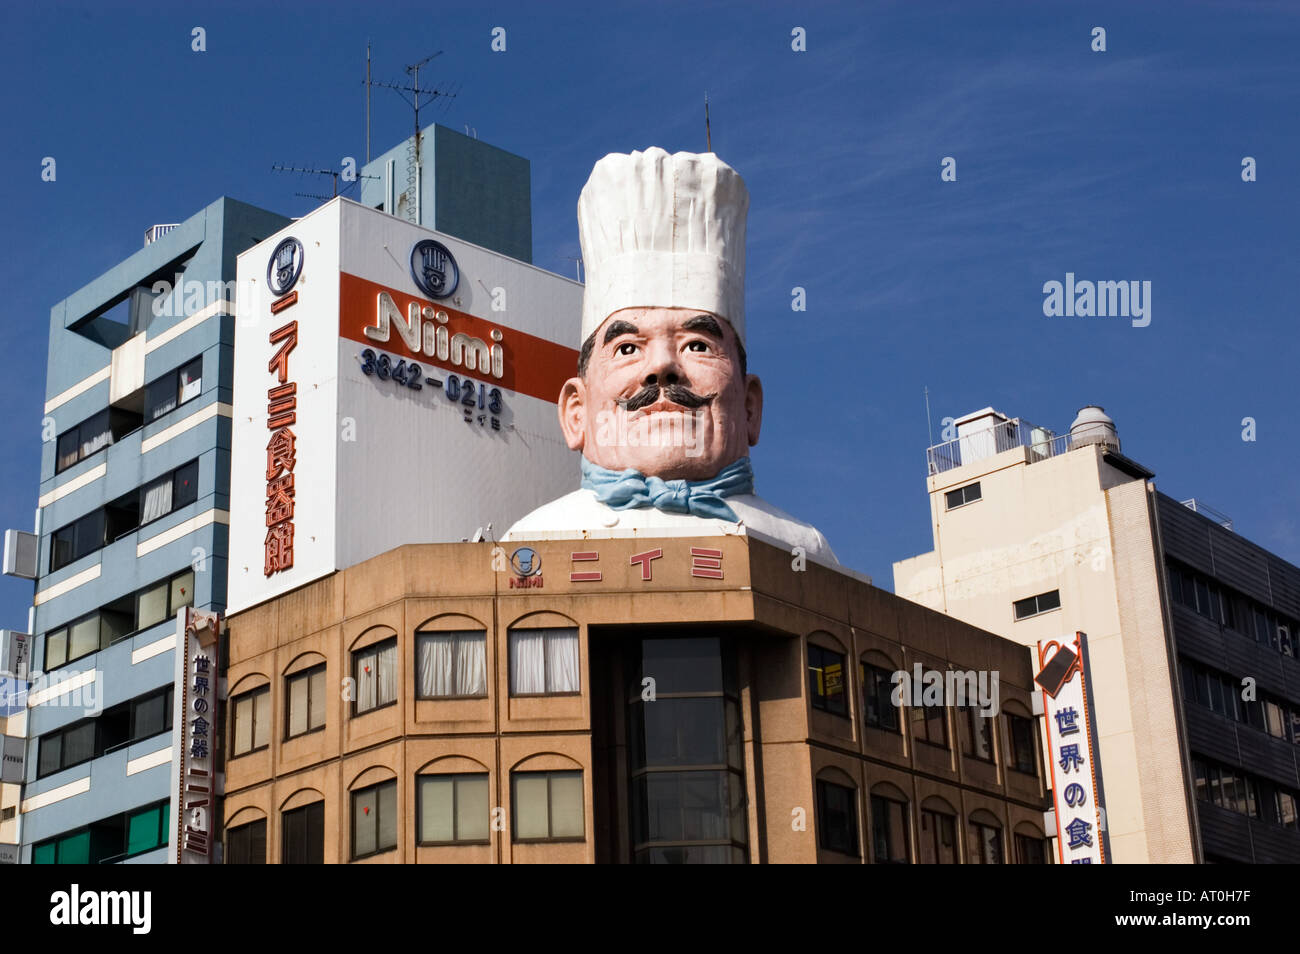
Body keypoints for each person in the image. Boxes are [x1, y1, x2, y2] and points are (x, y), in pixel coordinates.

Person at [504, 147, 837, 566]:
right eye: (628, 349)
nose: (662, 366)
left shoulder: (802, 550)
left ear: (751, 406)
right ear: (576, 411)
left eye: (697, 345)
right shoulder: (531, 546)